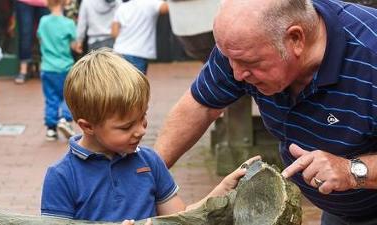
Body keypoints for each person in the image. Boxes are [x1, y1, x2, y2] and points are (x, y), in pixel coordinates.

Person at [154, 0, 377, 224]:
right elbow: (200, 105)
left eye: (248, 62)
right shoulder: (243, 46)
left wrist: (353, 171)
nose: (237, 74)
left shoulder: (370, 54)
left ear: (296, 39)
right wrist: (147, 175)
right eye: (229, 60)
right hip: (340, 208)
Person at [40, 48, 260, 223]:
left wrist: (220, 191)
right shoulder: (62, 177)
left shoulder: (149, 162)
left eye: (142, 118)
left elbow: (179, 218)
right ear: (87, 126)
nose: (141, 131)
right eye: (126, 127)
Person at [37, 0, 76, 141]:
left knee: (51, 97)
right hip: (65, 66)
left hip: (47, 67)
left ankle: (51, 129)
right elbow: (74, 45)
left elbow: (40, 39)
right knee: (68, 95)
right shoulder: (69, 23)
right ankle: (65, 119)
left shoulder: (43, 21)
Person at [111, 0, 168, 74]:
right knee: (137, 84)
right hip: (138, 53)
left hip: (119, 51)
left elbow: (114, 32)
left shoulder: (122, 6)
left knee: (120, 83)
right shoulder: (151, 3)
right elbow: (168, 8)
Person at [14, 0, 49, 84]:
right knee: (25, 33)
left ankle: (45, 69)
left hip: (45, 2)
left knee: (46, 35)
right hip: (24, 2)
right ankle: (23, 70)